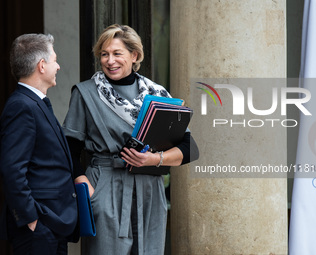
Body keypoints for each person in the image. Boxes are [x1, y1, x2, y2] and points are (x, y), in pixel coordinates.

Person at [63, 24, 199, 255]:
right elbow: (68, 148)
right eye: (104, 54)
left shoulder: (158, 95)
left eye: (117, 53)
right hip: (105, 186)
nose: (109, 60)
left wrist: (155, 159)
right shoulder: (85, 93)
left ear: (134, 55)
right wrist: (83, 184)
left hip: (150, 191)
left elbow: (190, 149)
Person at [0, 34, 78, 255]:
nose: (59, 66)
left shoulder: (35, 102)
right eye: (55, 60)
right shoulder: (22, 106)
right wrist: (30, 217)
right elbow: (12, 168)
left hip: (52, 222)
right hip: (39, 226)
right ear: (41, 66)